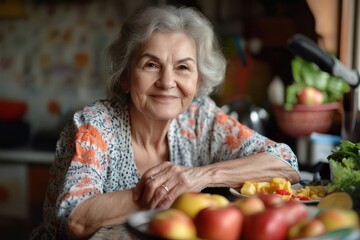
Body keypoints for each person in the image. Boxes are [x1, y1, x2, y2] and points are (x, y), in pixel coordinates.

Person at [32, 5, 300, 239]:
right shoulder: (95, 127)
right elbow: (75, 218)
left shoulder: (200, 118)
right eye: (151, 65)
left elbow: (285, 163)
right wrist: (166, 191)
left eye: (183, 67)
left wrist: (198, 176)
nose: (167, 82)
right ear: (125, 77)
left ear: (198, 81)